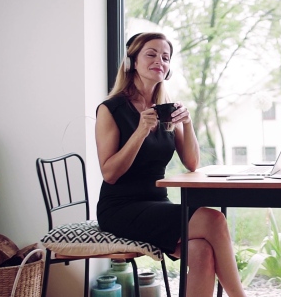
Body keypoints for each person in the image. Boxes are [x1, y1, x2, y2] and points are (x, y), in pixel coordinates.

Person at [95, 32, 247, 297]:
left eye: (165, 57)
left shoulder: (164, 110)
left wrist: (186, 123)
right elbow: (109, 173)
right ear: (132, 62)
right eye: (151, 54)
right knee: (214, 220)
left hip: (156, 205)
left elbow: (192, 163)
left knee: (201, 250)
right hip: (120, 208)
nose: (160, 61)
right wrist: (140, 132)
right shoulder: (111, 109)